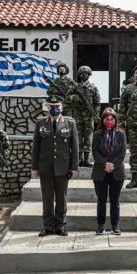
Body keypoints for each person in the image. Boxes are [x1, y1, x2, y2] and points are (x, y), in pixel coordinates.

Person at [31, 95, 79, 237]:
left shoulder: (70, 123)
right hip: (45, 167)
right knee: (47, 198)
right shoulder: (41, 123)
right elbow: (36, 147)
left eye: (57, 106)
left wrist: (74, 167)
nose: (55, 109)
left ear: (62, 107)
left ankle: (60, 226)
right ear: (48, 108)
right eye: (52, 107)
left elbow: (74, 147)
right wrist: (34, 167)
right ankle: (48, 226)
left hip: (63, 167)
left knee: (61, 198)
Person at [91, 108, 127, 235]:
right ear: (103, 120)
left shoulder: (121, 134)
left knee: (115, 201)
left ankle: (115, 225)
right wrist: (104, 163)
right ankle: (100, 225)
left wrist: (113, 165)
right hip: (100, 172)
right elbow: (94, 151)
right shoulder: (97, 134)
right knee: (101, 200)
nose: (110, 121)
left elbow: (122, 152)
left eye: (112, 119)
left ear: (115, 120)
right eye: (107, 119)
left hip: (117, 173)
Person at [65, 65, 101, 167]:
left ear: (89, 75)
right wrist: (73, 97)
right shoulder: (75, 87)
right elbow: (66, 99)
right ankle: (79, 159)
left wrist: (96, 114)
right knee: (78, 136)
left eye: (86, 73)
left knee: (88, 137)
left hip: (89, 116)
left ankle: (86, 159)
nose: (84, 75)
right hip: (77, 115)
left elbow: (97, 103)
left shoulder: (93, 88)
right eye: (82, 73)